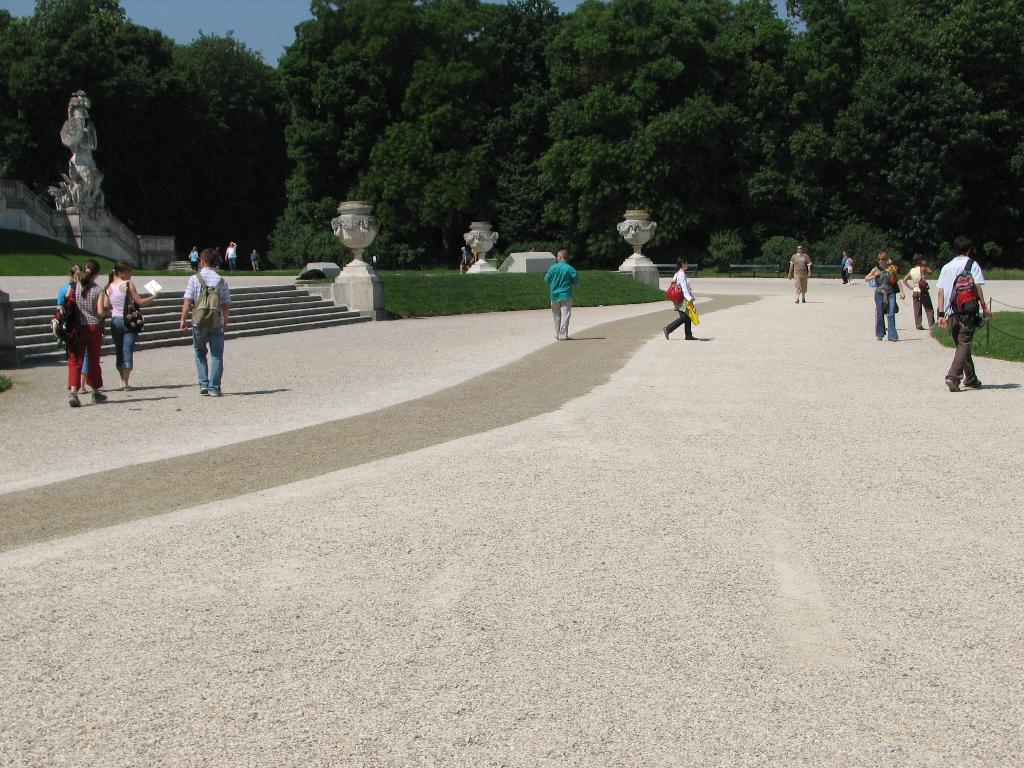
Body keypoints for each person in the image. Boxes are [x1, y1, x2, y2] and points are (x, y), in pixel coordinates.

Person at [936, 236, 991, 392]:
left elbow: (940, 292)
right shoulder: (972, 264)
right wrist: (984, 306)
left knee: (961, 345)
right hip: (967, 310)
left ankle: (971, 378)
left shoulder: (946, 267)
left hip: (950, 312)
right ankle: (953, 377)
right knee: (964, 343)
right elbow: (977, 287)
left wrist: (941, 315)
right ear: (969, 249)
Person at [180, 248, 232, 396]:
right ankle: (214, 388)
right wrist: (225, 321)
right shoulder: (221, 280)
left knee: (200, 353)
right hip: (216, 321)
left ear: (202, 262)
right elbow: (226, 304)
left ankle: (203, 385)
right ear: (216, 263)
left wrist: (183, 319)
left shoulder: (194, 279)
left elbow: (187, 301)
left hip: (199, 320)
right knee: (217, 355)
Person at [105, 261, 158, 391]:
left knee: (119, 350)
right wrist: (154, 296)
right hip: (129, 320)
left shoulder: (109, 287)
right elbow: (139, 301)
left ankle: (122, 379)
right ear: (120, 273)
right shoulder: (127, 284)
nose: (131, 273)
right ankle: (126, 382)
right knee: (127, 350)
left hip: (115, 320)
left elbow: (106, 306)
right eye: (128, 271)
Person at [66, 259, 107, 407]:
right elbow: (100, 312)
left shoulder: (73, 287)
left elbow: (66, 304)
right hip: (93, 328)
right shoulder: (98, 290)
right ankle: (95, 392)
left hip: (76, 328)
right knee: (93, 361)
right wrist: (107, 309)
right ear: (97, 274)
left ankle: (73, 392)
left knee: (75, 360)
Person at [863, 251, 905, 341]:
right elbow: (866, 279)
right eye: (879, 259)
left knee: (891, 313)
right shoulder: (875, 269)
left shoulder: (891, 268)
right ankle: (880, 333)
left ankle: (892, 335)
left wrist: (902, 291)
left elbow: (897, 280)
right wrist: (874, 276)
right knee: (880, 313)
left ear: (886, 259)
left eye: (883, 259)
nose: (881, 261)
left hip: (891, 292)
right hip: (879, 293)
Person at [544, 249, 579, 341]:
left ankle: (556, 333)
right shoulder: (570, 269)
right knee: (565, 315)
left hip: (554, 295)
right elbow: (576, 282)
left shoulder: (552, 268)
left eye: (557, 256)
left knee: (556, 316)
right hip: (566, 294)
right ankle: (563, 335)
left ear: (560, 257)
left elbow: (546, 280)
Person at [663, 258, 696, 340]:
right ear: (682, 264)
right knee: (684, 317)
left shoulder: (677, 273)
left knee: (687, 316)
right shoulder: (681, 274)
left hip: (678, 298)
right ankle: (668, 329)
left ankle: (688, 335)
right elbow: (683, 288)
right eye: (686, 263)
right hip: (682, 298)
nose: (687, 265)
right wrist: (689, 298)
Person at [903, 255, 935, 330]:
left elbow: (904, 280)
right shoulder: (923, 268)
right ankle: (931, 324)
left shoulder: (911, 270)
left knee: (917, 309)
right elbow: (930, 272)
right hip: (923, 290)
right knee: (928, 308)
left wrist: (911, 287)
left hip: (915, 290)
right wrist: (927, 265)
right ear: (920, 260)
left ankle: (918, 325)